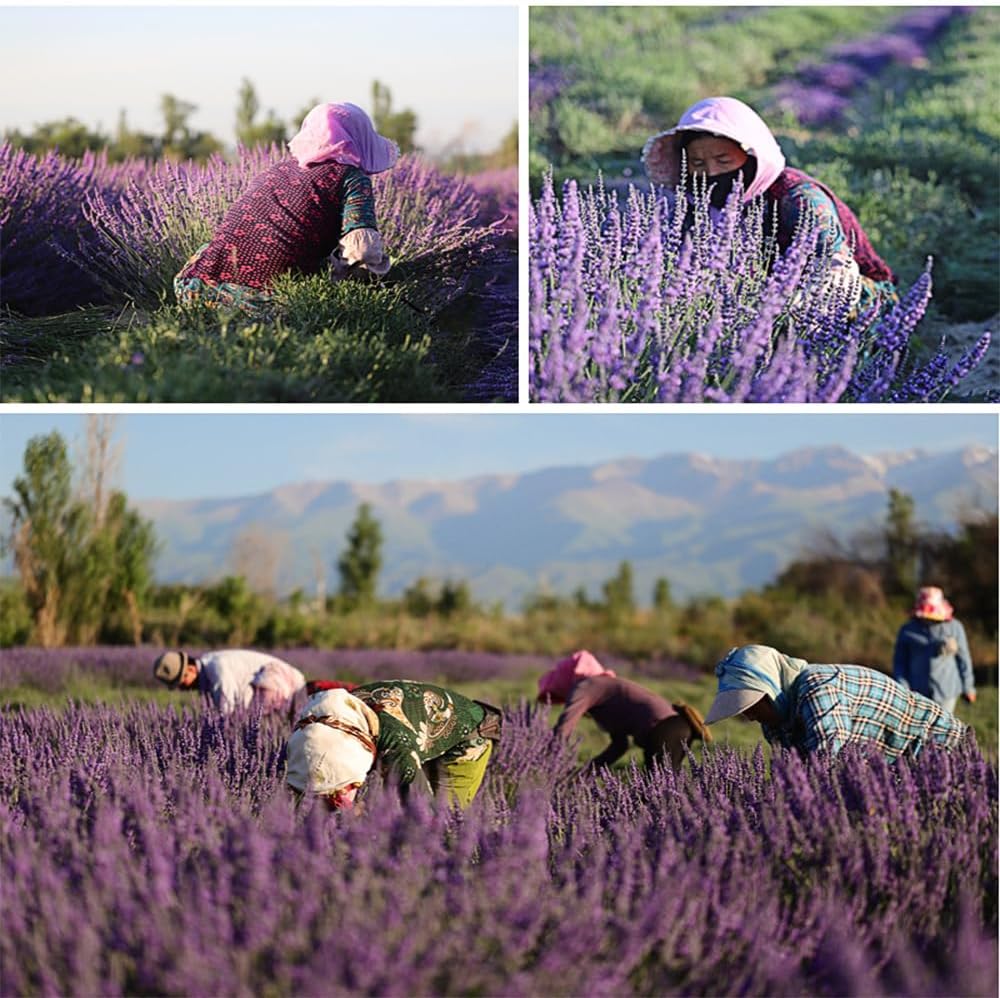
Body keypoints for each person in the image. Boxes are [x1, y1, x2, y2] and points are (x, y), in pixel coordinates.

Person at [642, 96, 898, 316]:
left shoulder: (798, 197)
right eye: (698, 164)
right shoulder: (697, 204)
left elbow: (837, 274)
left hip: (850, 300)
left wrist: (776, 315)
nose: (711, 172)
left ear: (751, 155)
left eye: (723, 160)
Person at [174, 102, 398, 317]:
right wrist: (368, 282)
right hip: (263, 303)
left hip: (195, 289)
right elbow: (362, 251)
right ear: (361, 137)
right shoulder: (352, 178)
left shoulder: (278, 169)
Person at [704, 644, 972, 763]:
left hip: (942, 749)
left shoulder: (818, 688)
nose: (751, 716)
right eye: (745, 709)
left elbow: (827, 762)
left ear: (771, 688)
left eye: (752, 705)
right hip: (896, 770)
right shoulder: (774, 721)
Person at [285, 681, 503, 810]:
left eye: (342, 788)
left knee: (443, 819)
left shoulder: (396, 747)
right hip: (417, 734)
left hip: (469, 735)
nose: (341, 796)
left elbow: (422, 809)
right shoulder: (318, 728)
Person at [538, 650, 712, 773]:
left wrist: (546, 765)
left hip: (665, 730)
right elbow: (619, 746)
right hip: (676, 728)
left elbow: (564, 727)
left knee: (661, 794)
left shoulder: (585, 686)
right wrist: (585, 772)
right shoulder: (603, 694)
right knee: (663, 792)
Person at [153, 648, 306, 716]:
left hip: (280, 681)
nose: (181, 688)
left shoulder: (216, 669)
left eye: (181, 683)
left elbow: (227, 708)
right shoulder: (208, 665)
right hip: (280, 682)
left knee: (258, 724)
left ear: (191, 669)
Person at [893, 586, 976, 713]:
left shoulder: (955, 627)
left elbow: (964, 658)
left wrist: (968, 687)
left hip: (947, 690)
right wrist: (903, 688)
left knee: (942, 724)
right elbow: (899, 662)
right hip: (917, 692)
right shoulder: (907, 631)